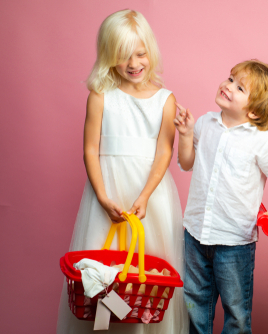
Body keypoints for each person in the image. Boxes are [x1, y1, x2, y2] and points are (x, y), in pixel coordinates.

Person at [57, 9, 188, 334]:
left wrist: (145, 196)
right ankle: (105, 327)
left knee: (148, 272)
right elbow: (90, 149)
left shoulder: (165, 100)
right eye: (122, 56)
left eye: (140, 54)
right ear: (108, 57)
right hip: (108, 193)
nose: (133, 64)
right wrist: (102, 197)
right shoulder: (101, 95)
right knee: (102, 270)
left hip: (150, 197)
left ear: (150, 51)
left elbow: (164, 152)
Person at [174, 60, 268, 334]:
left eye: (239, 87)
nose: (227, 86)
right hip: (195, 234)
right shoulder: (205, 123)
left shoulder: (261, 141)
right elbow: (187, 162)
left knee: (236, 312)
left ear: (253, 111)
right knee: (193, 304)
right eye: (230, 79)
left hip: (234, 241)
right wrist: (186, 134)